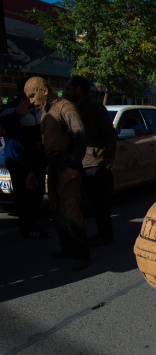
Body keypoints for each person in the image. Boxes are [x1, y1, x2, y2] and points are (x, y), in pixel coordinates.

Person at [24, 77, 89, 270]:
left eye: (32, 95)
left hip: (66, 164)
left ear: (44, 90)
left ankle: (82, 253)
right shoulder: (46, 113)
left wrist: (73, 164)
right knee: (55, 209)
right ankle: (67, 246)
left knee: (70, 210)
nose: (31, 100)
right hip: (52, 165)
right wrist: (35, 169)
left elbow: (80, 135)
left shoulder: (66, 108)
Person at [65, 76, 117, 247]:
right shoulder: (73, 107)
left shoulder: (94, 107)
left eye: (70, 89)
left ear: (78, 90)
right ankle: (101, 232)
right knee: (91, 202)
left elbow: (109, 133)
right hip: (82, 161)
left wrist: (109, 156)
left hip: (95, 161)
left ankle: (105, 234)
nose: (67, 93)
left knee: (99, 201)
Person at [0, 78, 46, 239]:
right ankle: (26, 227)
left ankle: (33, 223)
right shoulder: (11, 110)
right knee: (24, 195)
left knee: (37, 193)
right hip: (19, 160)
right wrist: (17, 114)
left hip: (36, 159)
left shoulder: (38, 109)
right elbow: (11, 131)